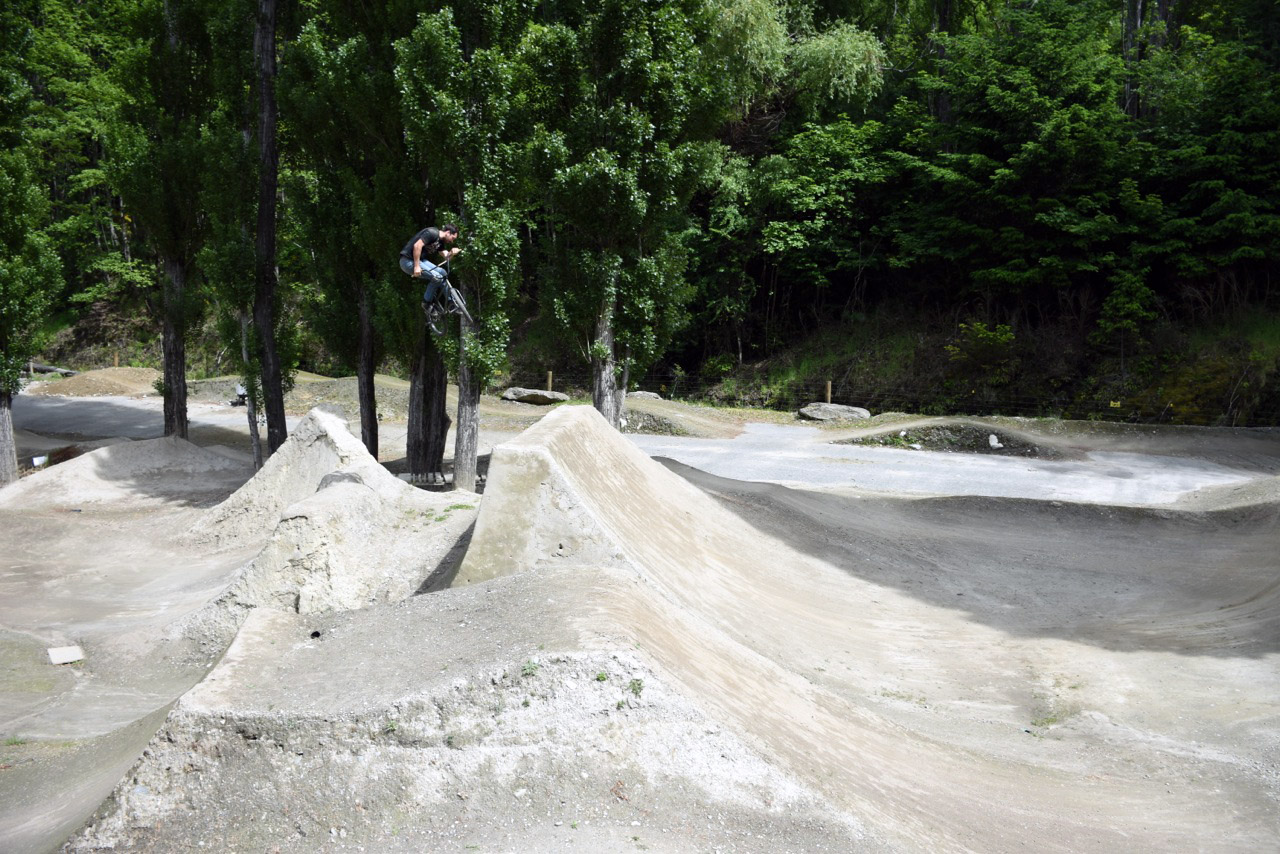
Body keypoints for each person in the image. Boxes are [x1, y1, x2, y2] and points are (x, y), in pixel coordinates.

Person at [399, 224, 461, 307]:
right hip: (408, 261)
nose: (452, 241)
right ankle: (426, 303)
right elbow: (417, 246)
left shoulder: (440, 241)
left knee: (443, 272)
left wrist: (452, 253)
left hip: (421, 261)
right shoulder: (432, 233)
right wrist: (417, 266)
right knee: (437, 277)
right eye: (452, 238)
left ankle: (451, 301)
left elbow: (446, 257)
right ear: (448, 232)